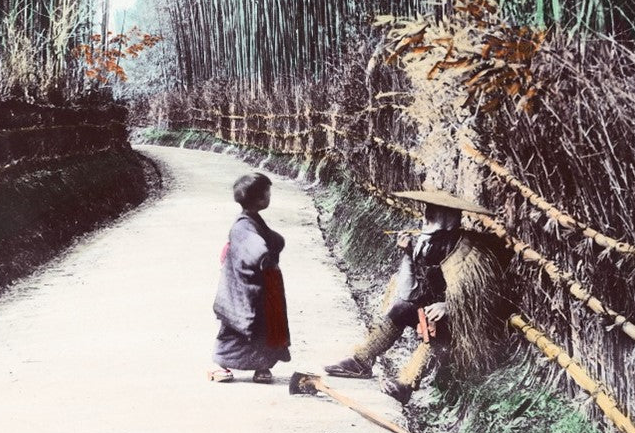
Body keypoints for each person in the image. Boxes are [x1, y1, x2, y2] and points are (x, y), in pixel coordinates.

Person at [323, 189, 503, 403]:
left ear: (448, 218)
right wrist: (408, 254)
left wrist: (448, 306)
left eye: (434, 211)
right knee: (401, 308)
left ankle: (406, 383)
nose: (427, 215)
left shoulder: (467, 251)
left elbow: (481, 296)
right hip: (429, 309)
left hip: (461, 320)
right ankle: (362, 360)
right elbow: (411, 292)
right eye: (428, 210)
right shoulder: (426, 243)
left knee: (435, 328)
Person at [209, 172, 291, 384]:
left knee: (264, 327)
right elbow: (255, 247)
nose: (269, 197)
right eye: (267, 193)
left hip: (260, 285)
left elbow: (270, 239)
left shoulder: (253, 220)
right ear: (261, 198)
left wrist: (276, 242)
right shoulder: (243, 226)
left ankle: (262, 367)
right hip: (242, 287)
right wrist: (264, 256)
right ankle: (221, 365)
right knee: (235, 326)